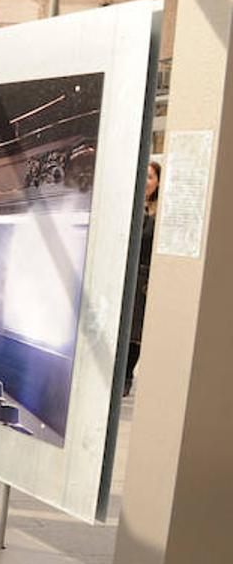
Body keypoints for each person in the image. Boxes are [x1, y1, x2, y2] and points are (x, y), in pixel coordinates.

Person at [125, 160, 160, 397]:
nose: (145, 181)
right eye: (143, 176)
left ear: (158, 182)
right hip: (125, 274)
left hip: (145, 279)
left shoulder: (160, 212)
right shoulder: (128, 204)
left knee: (135, 333)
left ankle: (126, 376)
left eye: (150, 177)